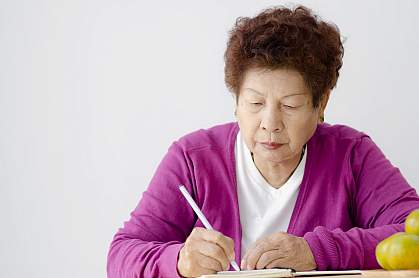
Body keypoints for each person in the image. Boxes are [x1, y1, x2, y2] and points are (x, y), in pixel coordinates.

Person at [107, 5, 419, 278]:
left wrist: (317, 251)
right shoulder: (192, 158)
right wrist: (178, 261)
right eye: (255, 103)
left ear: (321, 103)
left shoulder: (351, 155)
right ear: (236, 101)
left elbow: (413, 233)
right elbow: (121, 255)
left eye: (291, 105)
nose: (270, 124)